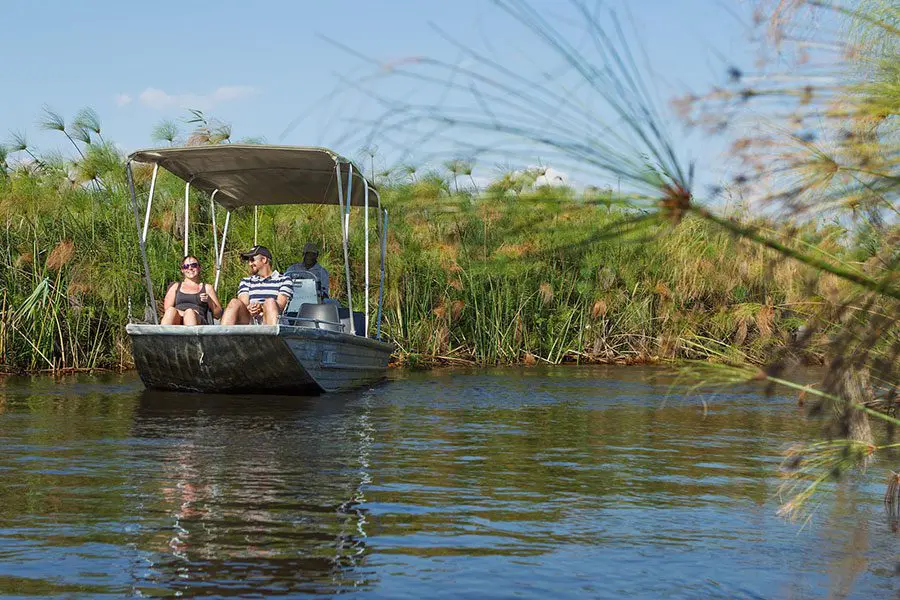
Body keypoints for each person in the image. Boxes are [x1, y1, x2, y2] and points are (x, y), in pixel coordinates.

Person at [220, 245, 293, 325]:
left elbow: (280, 305)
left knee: (270, 302)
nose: (249, 264)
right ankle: (221, 335)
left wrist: (261, 308)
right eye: (248, 261)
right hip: (251, 320)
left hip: (274, 318)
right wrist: (251, 308)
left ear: (264, 260)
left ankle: (272, 336)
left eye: (252, 260)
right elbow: (244, 304)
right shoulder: (246, 281)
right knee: (234, 303)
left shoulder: (284, 280)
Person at [161, 256, 223, 325]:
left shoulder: (207, 288)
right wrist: (184, 314)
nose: (190, 268)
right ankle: (162, 335)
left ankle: (191, 335)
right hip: (178, 318)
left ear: (199, 268)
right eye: (186, 266)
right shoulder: (175, 286)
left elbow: (218, 314)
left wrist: (209, 300)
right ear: (182, 270)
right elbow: (167, 310)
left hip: (198, 320)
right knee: (171, 311)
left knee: (190, 313)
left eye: (193, 265)